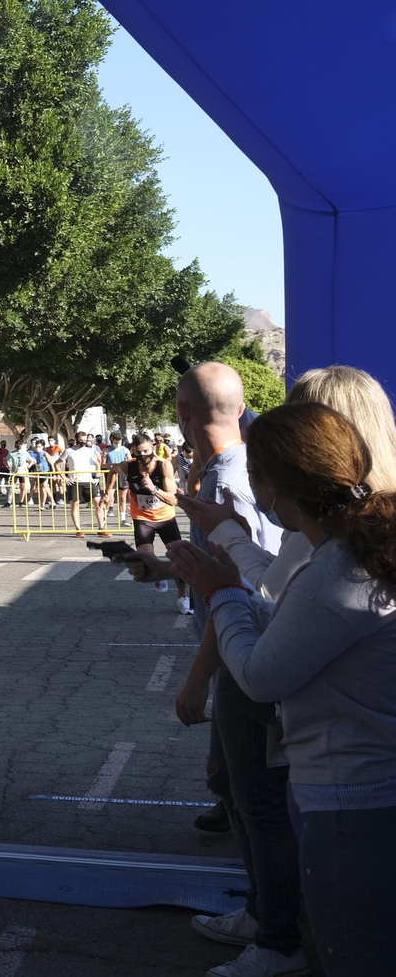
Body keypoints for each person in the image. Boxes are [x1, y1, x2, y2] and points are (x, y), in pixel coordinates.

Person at [170, 402, 396, 977]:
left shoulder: (337, 573)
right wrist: (226, 542)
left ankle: (275, 939)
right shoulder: (349, 544)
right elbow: (283, 596)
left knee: (354, 953)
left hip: (353, 801)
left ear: (271, 484)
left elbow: (261, 675)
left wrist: (221, 593)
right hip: (369, 791)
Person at [125, 363, 288, 977]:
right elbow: (229, 565)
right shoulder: (234, 469)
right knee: (235, 790)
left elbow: (242, 589)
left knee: (255, 801)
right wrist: (167, 569)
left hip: (244, 660)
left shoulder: (226, 482)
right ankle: (263, 914)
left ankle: (277, 937)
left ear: (186, 414)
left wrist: (197, 680)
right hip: (241, 657)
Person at [121, 433, 190, 612]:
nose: (143, 455)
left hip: (165, 518)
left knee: (179, 558)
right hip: (142, 518)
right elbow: (113, 470)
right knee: (146, 560)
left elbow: (173, 500)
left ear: (153, 447)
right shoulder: (128, 467)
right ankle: (158, 573)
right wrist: (107, 491)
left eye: (146, 451)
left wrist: (154, 488)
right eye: (138, 452)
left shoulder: (164, 466)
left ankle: (182, 597)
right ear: (133, 451)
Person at [60, 430, 106, 537]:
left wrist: (97, 476)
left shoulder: (89, 451)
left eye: (85, 441)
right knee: (74, 504)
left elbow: (97, 464)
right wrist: (64, 478)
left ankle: (101, 528)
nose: (83, 443)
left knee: (98, 504)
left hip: (88, 480)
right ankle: (78, 529)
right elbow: (58, 464)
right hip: (74, 481)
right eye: (81, 441)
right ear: (76, 440)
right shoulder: (68, 451)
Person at [104, 432, 130, 518]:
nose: (118, 444)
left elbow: (130, 461)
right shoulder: (106, 450)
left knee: (122, 497)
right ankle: (104, 515)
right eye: (116, 442)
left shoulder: (125, 450)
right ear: (112, 440)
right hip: (111, 474)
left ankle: (122, 518)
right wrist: (113, 464)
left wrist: (124, 463)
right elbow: (102, 464)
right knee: (110, 496)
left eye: (119, 442)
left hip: (122, 475)